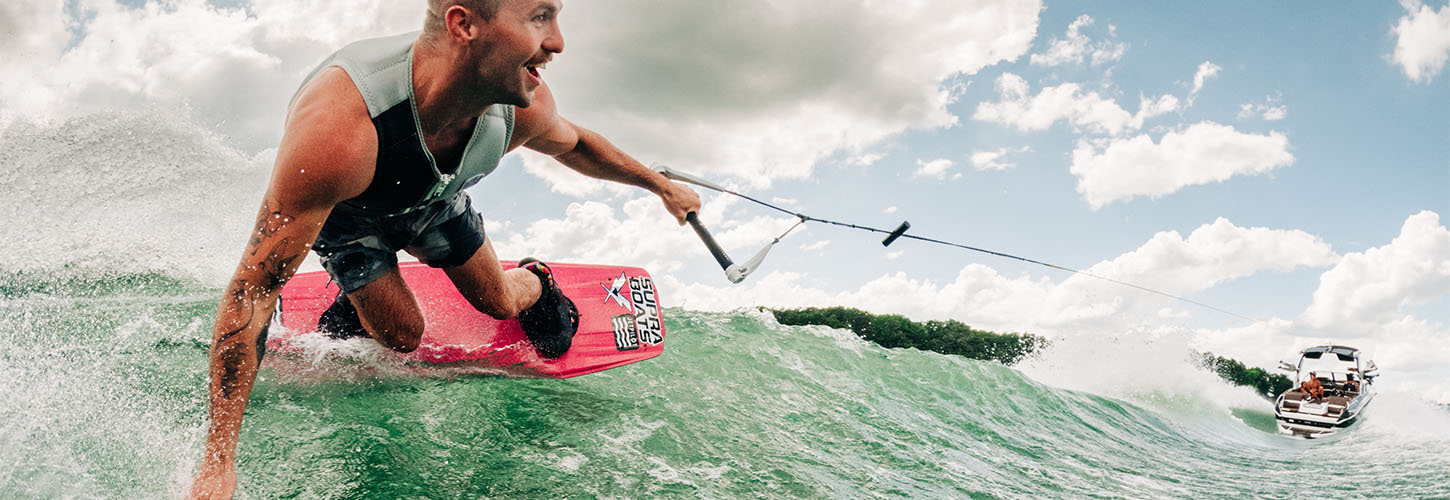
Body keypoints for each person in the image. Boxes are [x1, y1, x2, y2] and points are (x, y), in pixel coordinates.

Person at [187, 0, 700, 497]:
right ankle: (360, 296)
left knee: (499, 300)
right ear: (464, 25)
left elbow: (578, 144)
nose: (557, 43)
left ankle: (538, 281)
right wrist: (218, 463)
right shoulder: (340, 128)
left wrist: (660, 186)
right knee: (402, 336)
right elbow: (252, 293)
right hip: (350, 219)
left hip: (434, 198)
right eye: (540, 17)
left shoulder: (522, 109)